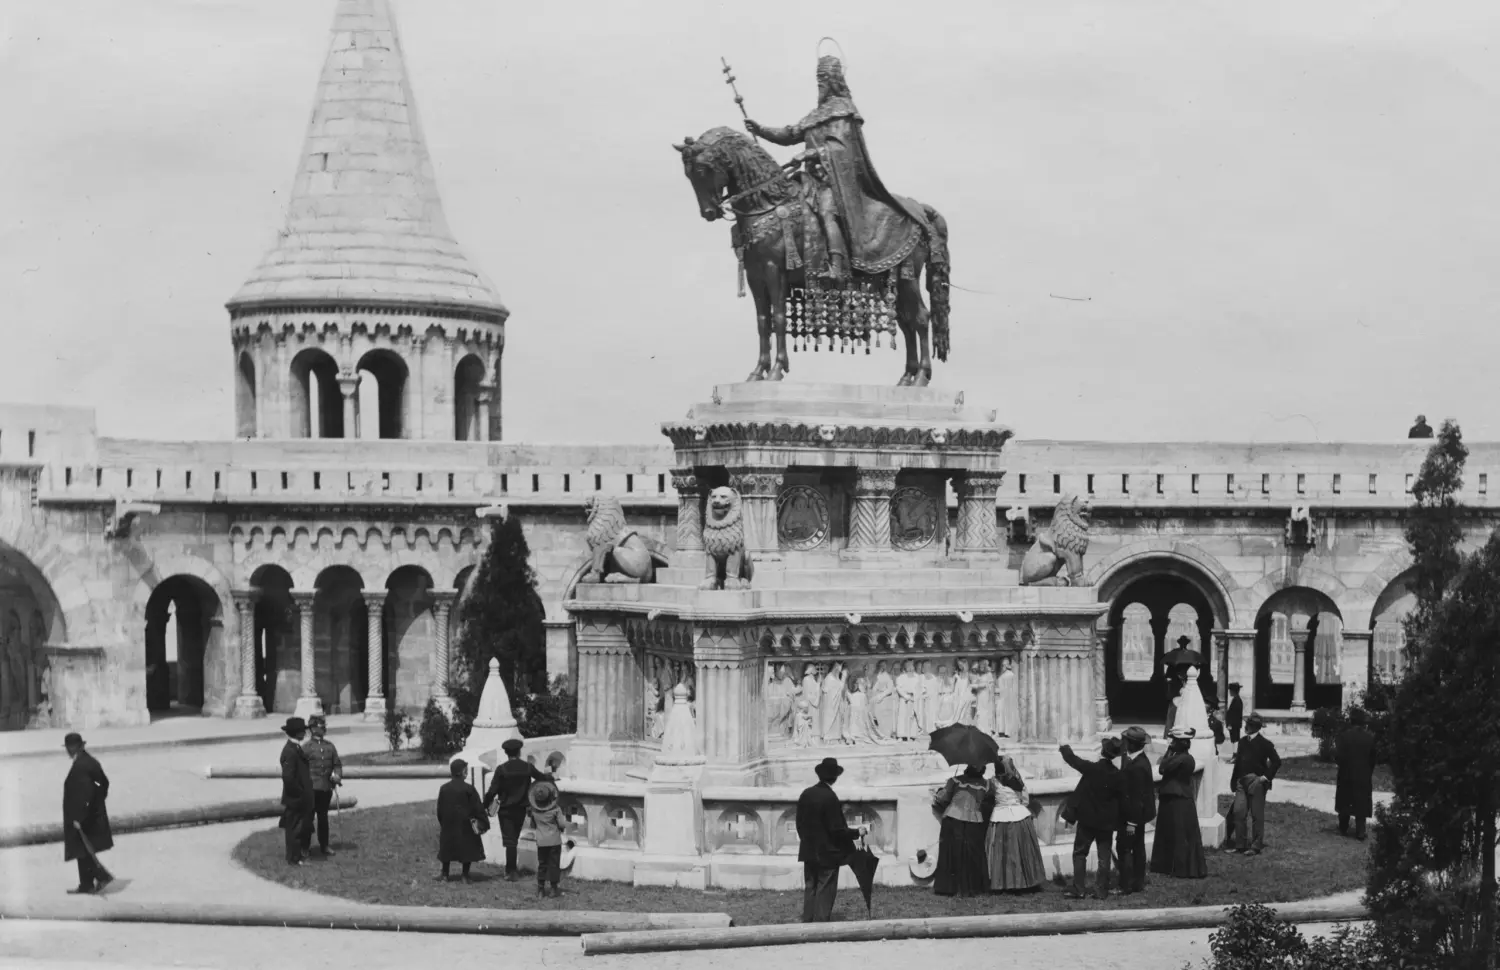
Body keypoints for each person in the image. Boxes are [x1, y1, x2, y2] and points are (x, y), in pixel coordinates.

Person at [745, 57, 921, 281]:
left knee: (827, 211)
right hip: (809, 180)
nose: (820, 84)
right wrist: (761, 130)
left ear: (834, 80)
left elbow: (841, 149)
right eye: (818, 79)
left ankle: (837, 266)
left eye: (823, 79)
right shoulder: (816, 114)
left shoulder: (843, 110)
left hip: (835, 182)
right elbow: (790, 133)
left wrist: (808, 154)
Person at [795, 757, 865, 922]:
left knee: (811, 887)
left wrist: (807, 841)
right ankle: (820, 925)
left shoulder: (806, 793)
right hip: (827, 853)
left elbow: (799, 823)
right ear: (835, 778)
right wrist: (857, 832)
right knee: (825, 889)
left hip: (809, 851)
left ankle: (808, 921)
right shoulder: (830, 797)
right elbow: (837, 830)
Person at [1060, 736, 1124, 901]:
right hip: (1106, 823)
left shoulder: (1092, 769)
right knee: (1104, 856)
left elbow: (1073, 760)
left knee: (1080, 853)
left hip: (1087, 820)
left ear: (1102, 751)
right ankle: (1101, 890)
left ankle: (1079, 888)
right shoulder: (1117, 775)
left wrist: (1064, 747)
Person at [482, 737, 548, 881]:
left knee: (509, 840)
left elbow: (492, 791)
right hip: (521, 808)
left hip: (505, 810)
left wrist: (484, 805)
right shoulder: (527, 767)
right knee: (514, 839)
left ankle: (510, 871)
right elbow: (541, 777)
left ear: (506, 753)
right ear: (519, 752)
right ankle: (511, 870)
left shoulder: (501, 769)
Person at [1150, 727, 1207, 878]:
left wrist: (1169, 751)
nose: (1172, 743)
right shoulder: (1183, 758)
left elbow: (1162, 768)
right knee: (1171, 832)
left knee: (1180, 834)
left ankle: (1181, 867)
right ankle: (1168, 865)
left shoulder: (1183, 759)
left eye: (1174, 741)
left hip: (1179, 799)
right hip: (1174, 797)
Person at [62, 733, 113, 895]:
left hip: (83, 816)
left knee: (83, 849)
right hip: (89, 813)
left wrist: (81, 816)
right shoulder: (88, 761)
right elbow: (103, 784)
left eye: (68, 748)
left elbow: (87, 793)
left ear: (72, 749)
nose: (67, 751)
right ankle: (86, 885)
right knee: (82, 849)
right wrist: (98, 804)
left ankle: (101, 877)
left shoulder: (82, 766)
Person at [985, 754, 1044, 893]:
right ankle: (1025, 881)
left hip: (1000, 817)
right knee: (1022, 850)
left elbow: (987, 796)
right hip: (1020, 816)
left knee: (1002, 852)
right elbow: (1025, 801)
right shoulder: (1018, 782)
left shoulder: (992, 782)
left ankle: (1003, 882)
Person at [932, 763, 992, 897]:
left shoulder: (955, 781)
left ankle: (948, 887)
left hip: (954, 818)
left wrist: (940, 792)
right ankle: (974, 887)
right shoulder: (987, 784)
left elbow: (943, 798)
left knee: (951, 854)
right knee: (972, 855)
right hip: (975, 821)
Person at [1227, 714, 1282, 855]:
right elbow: (1238, 763)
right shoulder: (1242, 742)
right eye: (1247, 724)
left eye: (1249, 724)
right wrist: (1234, 781)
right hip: (1241, 781)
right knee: (1238, 812)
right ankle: (1240, 845)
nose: (1246, 726)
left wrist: (1265, 777)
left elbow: (1276, 762)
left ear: (1255, 727)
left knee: (1257, 815)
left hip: (1256, 782)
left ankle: (1256, 846)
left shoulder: (1265, 743)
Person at [1116, 725, 1156, 895]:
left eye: (1125, 741)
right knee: (1138, 847)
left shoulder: (1138, 766)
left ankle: (1126, 885)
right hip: (1138, 815)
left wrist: (1131, 822)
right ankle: (1137, 882)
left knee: (1125, 848)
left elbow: (1138, 797)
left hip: (1133, 816)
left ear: (1131, 744)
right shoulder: (1136, 759)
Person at [436, 758, 487, 882]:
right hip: (466, 824)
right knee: (467, 847)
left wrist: (443, 823)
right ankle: (465, 875)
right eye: (466, 770)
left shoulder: (444, 788)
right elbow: (477, 807)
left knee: (447, 848)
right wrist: (482, 821)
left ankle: (445, 874)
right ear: (462, 772)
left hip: (448, 823)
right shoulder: (469, 789)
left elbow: (440, 809)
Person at [303, 715, 343, 858]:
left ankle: (324, 845)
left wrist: (337, 775)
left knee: (323, 818)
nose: (324, 728)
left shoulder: (329, 746)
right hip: (311, 789)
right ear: (313, 729)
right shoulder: (306, 748)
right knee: (308, 819)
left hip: (326, 788)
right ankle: (305, 847)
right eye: (321, 726)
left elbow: (337, 764)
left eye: (324, 726)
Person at [1334, 708, 1376, 841]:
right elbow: (1373, 758)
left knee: (1344, 800)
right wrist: (1368, 770)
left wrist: (1343, 766)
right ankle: (1360, 831)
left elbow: (1338, 756)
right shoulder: (1370, 737)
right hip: (1363, 774)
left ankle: (1343, 826)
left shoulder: (1343, 736)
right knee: (1361, 803)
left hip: (1346, 773)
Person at [277, 716, 314, 867]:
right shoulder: (290, 751)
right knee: (294, 829)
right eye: (302, 731)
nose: (305, 733)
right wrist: (299, 793)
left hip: (299, 797)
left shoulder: (296, 748)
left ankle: (297, 856)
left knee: (300, 827)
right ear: (296, 733)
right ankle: (293, 858)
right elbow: (288, 777)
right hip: (295, 798)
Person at [527, 778, 566, 898]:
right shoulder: (556, 810)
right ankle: (554, 889)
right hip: (554, 841)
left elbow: (532, 825)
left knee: (542, 865)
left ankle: (540, 889)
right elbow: (562, 824)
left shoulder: (534, 811)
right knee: (554, 864)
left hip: (541, 842)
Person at [894, 660, 920, 740]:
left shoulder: (917, 677)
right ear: (905, 667)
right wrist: (906, 696)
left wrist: (915, 696)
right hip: (904, 699)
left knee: (912, 717)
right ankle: (901, 735)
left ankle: (912, 735)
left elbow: (921, 688)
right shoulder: (901, 677)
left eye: (911, 666)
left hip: (914, 699)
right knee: (903, 716)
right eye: (908, 666)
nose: (910, 668)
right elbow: (898, 688)